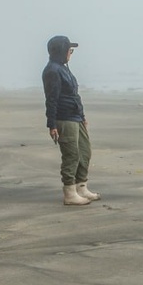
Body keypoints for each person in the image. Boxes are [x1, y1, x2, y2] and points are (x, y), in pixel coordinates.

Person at [42, 35, 101, 205]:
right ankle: (70, 193)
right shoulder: (52, 70)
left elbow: (74, 95)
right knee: (71, 155)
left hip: (75, 117)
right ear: (61, 51)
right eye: (69, 50)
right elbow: (51, 99)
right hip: (64, 118)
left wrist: (82, 116)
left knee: (84, 152)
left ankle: (81, 187)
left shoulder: (63, 68)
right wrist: (52, 124)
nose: (71, 53)